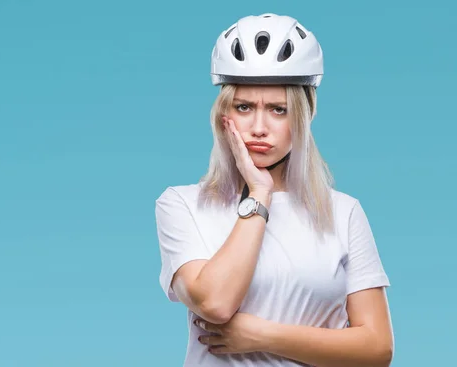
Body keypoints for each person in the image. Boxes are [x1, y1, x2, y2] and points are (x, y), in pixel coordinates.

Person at [154, 13, 394, 367]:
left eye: (278, 110)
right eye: (244, 107)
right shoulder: (182, 204)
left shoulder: (343, 212)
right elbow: (216, 302)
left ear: (303, 116)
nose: (259, 127)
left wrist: (260, 335)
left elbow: (376, 350)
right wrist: (259, 194)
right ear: (224, 115)